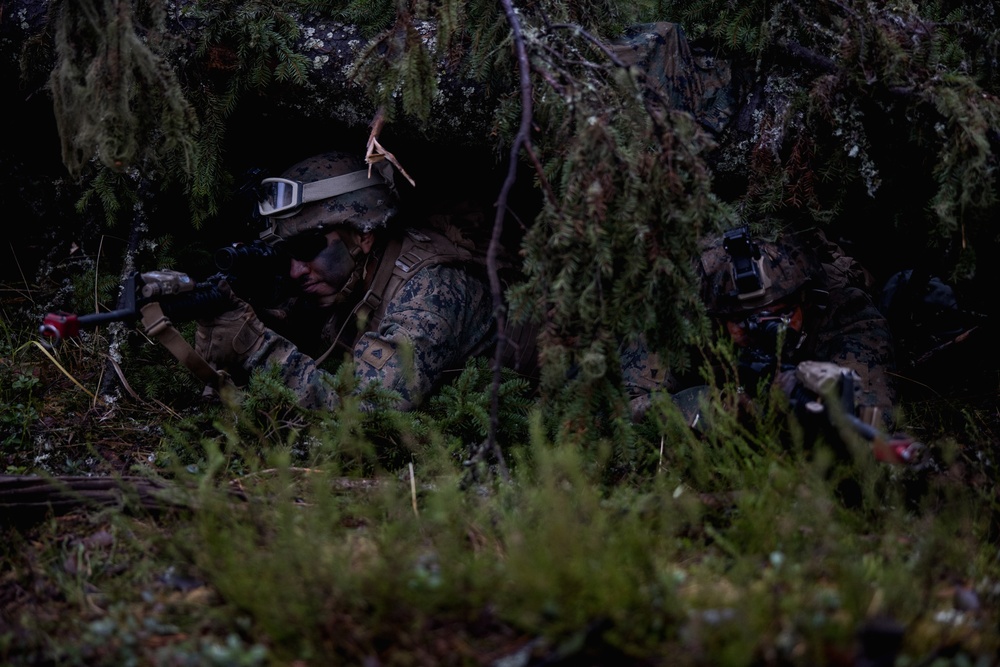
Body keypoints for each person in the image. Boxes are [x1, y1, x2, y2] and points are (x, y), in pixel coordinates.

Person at [194, 150, 532, 411]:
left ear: (363, 235)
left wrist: (255, 346)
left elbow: (367, 409)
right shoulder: (345, 280)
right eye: (286, 256)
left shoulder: (429, 291)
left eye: (307, 248)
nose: (296, 271)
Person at [623, 224, 900, 437]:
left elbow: (872, 416)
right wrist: (713, 407)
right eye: (745, 322)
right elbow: (625, 407)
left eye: (781, 315)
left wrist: (802, 413)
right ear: (714, 317)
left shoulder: (842, 309)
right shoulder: (681, 316)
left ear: (804, 298)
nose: (767, 332)